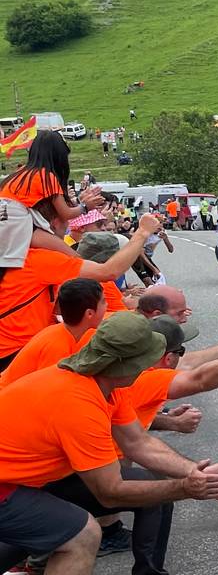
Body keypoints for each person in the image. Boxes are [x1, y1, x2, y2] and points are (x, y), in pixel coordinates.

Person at [0, 313, 218, 575]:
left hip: (21, 479)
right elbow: (111, 492)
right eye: (146, 360)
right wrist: (186, 489)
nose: (153, 367)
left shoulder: (103, 383)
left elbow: (137, 442)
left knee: (82, 515)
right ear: (127, 364)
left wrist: (194, 472)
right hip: (9, 485)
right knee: (81, 533)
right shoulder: (78, 402)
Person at [0, 213, 160, 370]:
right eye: (66, 219)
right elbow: (108, 272)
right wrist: (142, 232)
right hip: (16, 351)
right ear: (53, 223)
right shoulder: (36, 259)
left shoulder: (12, 256)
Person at [0, 130, 104, 267]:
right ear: (59, 156)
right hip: (18, 225)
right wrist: (85, 206)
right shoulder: (46, 176)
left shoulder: (19, 173)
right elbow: (65, 213)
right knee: (75, 259)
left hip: (7, 223)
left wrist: (79, 202)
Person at [0, 279, 105, 387]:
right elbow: (47, 391)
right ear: (89, 313)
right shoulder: (57, 348)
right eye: (103, 301)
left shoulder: (64, 331)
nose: (107, 306)